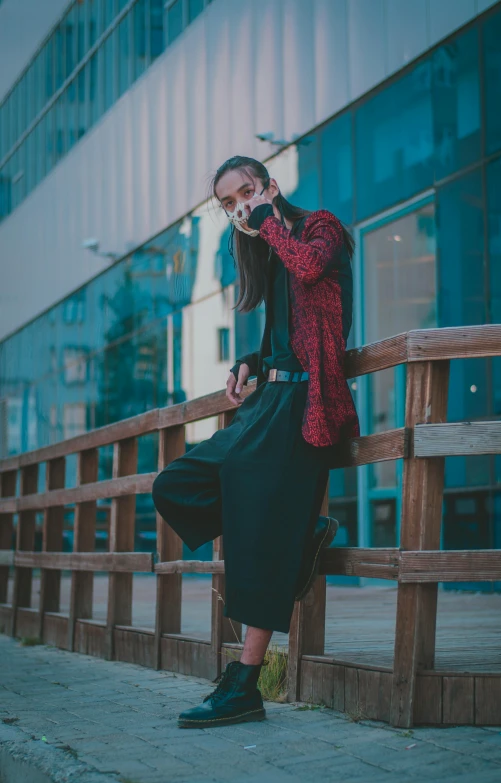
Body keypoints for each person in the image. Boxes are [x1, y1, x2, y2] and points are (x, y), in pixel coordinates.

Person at [152, 155, 360, 728]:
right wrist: (249, 362)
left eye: (247, 192)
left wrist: (267, 219)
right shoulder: (265, 247)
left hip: (306, 407)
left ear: (269, 186)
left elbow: (313, 271)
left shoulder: (319, 227)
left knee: (255, 532)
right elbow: (284, 332)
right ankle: (299, 538)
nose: (240, 206)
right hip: (269, 401)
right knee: (176, 483)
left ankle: (244, 683)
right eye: (228, 202)